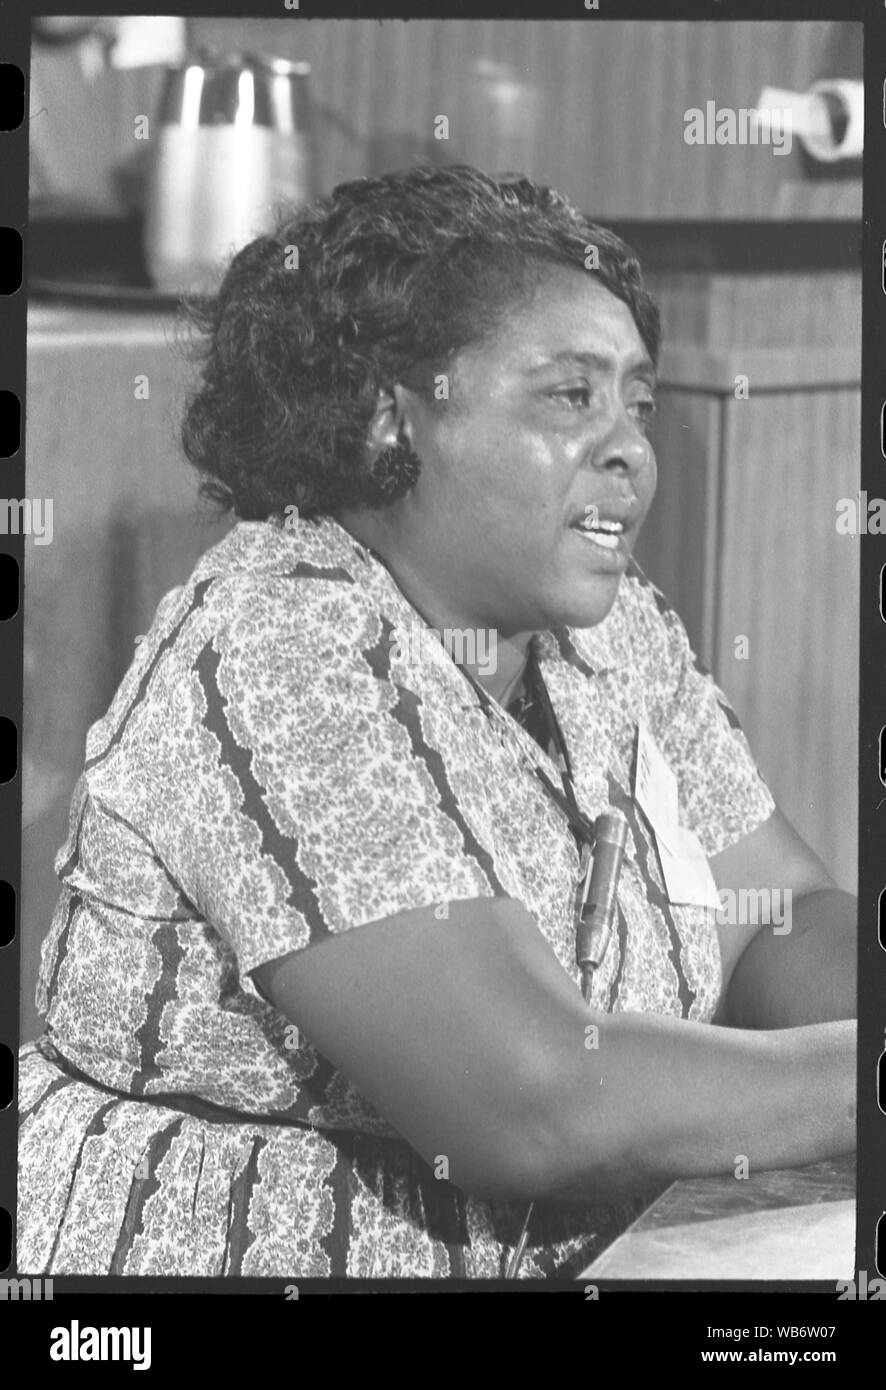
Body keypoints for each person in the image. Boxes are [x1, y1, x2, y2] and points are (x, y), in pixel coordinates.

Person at [16, 165, 856, 1279]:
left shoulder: (611, 631)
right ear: (387, 415)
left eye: (637, 402)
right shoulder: (278, 644)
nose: (631, 450)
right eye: (571, 396)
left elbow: (775, 913)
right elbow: (524, 1103)